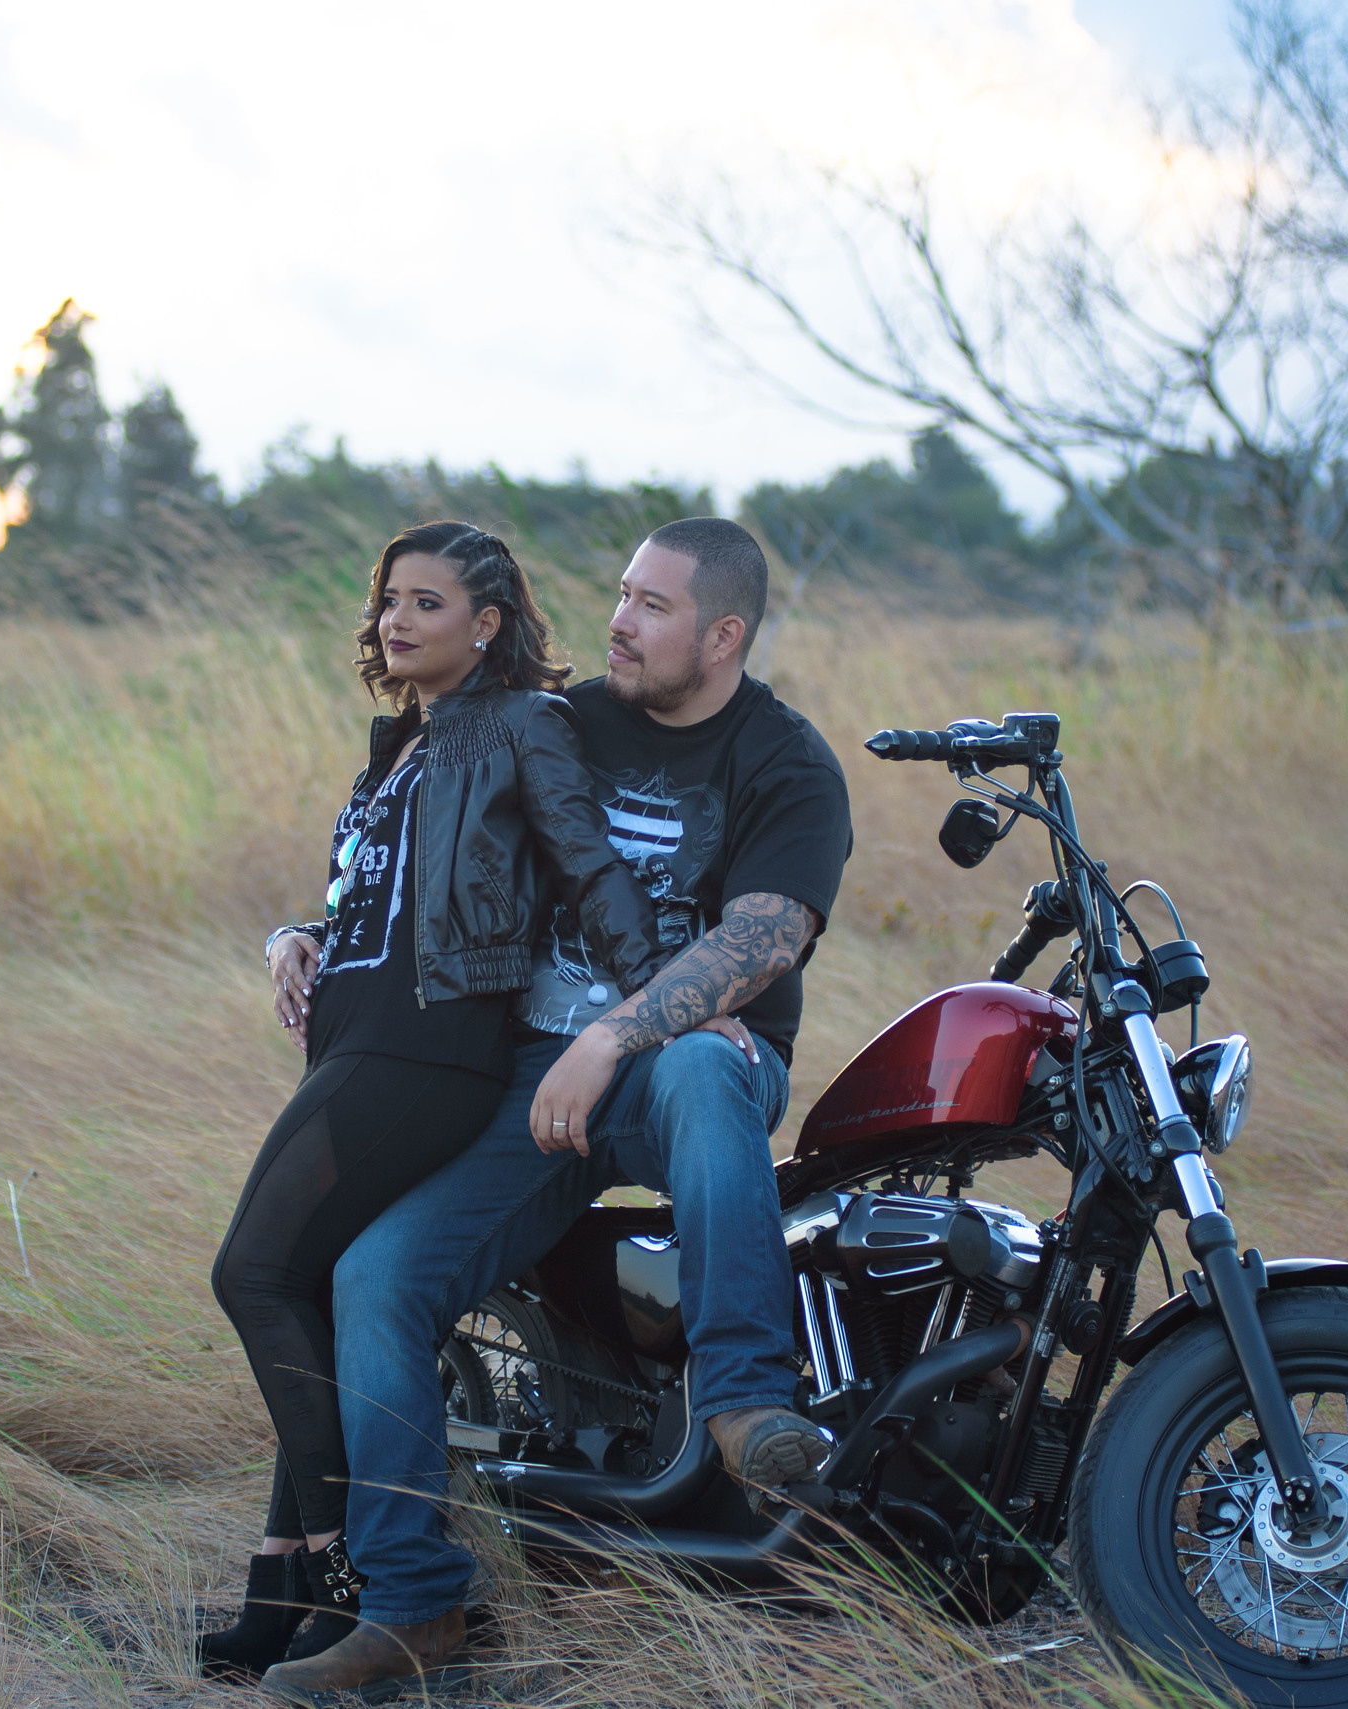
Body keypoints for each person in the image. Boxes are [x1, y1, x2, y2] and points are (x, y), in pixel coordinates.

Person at [260, 518, 854, 1705]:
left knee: (693, 1067)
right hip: (522, 1077)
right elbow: (425, 847)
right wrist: (310, 931)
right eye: (621, 595)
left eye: (652, 606)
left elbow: (763, 935)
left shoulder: (785, 762)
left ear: (723, 634)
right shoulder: (564, 719)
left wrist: (616, 1030)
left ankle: (743, 1401)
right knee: (375, 1275)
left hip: (682, 1073)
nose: (619, 621)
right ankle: (412, 1598)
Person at [198, 521, 667, 1682]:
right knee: (303, 1284)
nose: (397, 620)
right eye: (390, 601)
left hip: (429, 1046)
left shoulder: (524, 723)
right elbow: (372, 895)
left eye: (428, 602)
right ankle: (286, 1588)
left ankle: (349, 1574)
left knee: (250, 1273)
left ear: (488, 622)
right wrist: (291, 937)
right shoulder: (402, 743)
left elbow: (586, 865)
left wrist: (665, 999)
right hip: (358, 1034)